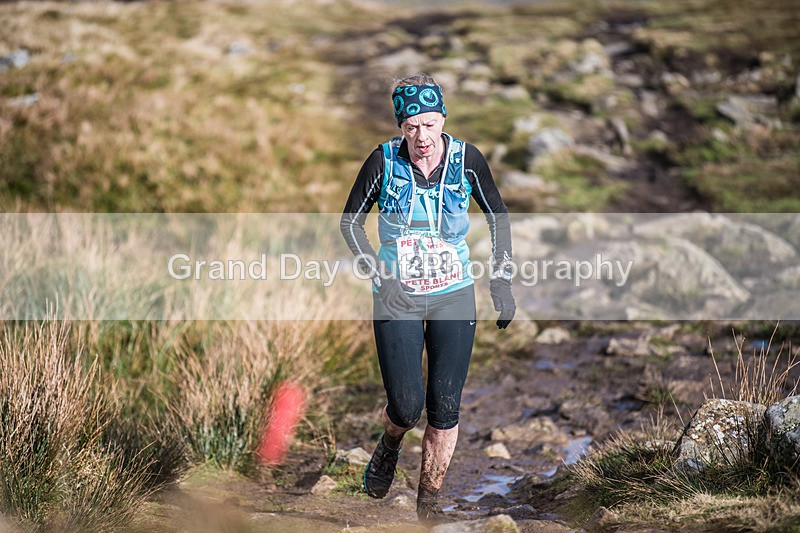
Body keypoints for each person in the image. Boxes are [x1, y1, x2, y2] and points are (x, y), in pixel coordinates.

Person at [339, 73, 515, 522]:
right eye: (412, 126)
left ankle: (428, 509)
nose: (422, 136)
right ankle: (390, 442)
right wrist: (381, 276)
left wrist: (501, 281)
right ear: (401, 128)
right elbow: (350, 224)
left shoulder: (467, 159)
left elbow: (498, 215)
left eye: (430, 124)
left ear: (443, 120)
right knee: (407, 407)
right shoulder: (381, 162)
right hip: (395, 294)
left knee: (444, 408)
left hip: (453, 293)